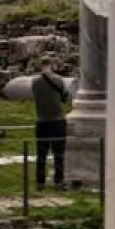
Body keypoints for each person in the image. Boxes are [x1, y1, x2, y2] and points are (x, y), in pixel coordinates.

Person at [30, 57, 71, 189]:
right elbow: (65, 97)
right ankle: (58, 181)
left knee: (41, 154)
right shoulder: (58, 80)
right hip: (57, 120)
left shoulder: (35, 82)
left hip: (42, 120)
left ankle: (40, 182)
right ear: (52, 66)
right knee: (58, 154)